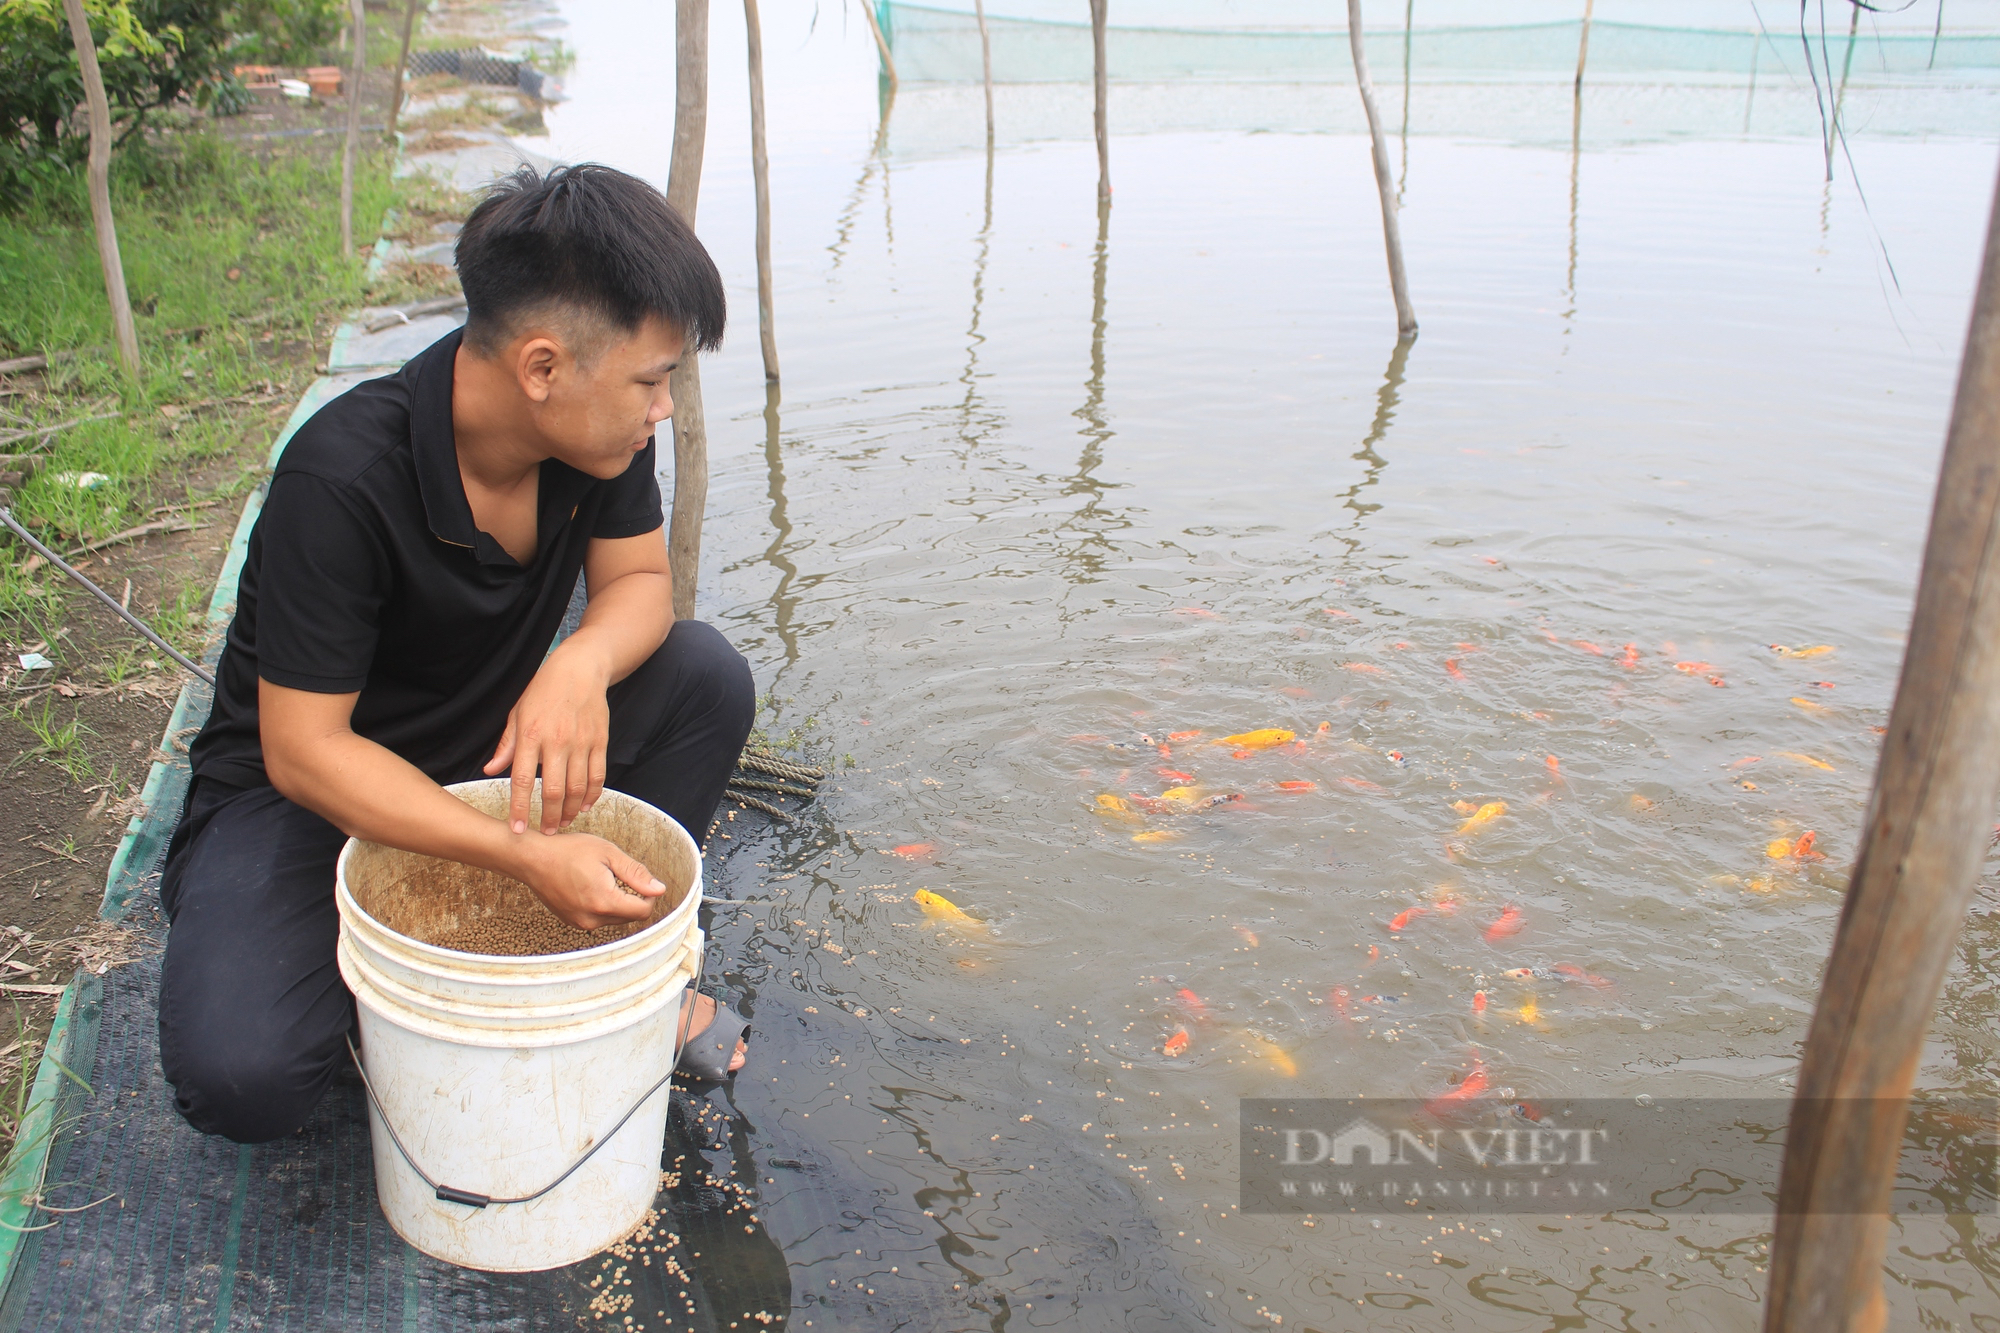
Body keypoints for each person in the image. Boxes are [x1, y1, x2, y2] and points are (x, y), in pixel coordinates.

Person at [158, 163, 756, 1145]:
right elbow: (303, 751)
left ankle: (622, 975)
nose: (662, 409)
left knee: (700, 676)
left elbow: (640, 589)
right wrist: (520, 853)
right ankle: (426, 1006)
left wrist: (578, 665)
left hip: (487, 749)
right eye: (651, 380)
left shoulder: (595, 439)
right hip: (316, 797)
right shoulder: (343, 478)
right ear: (541, 368)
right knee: (242, 1074)